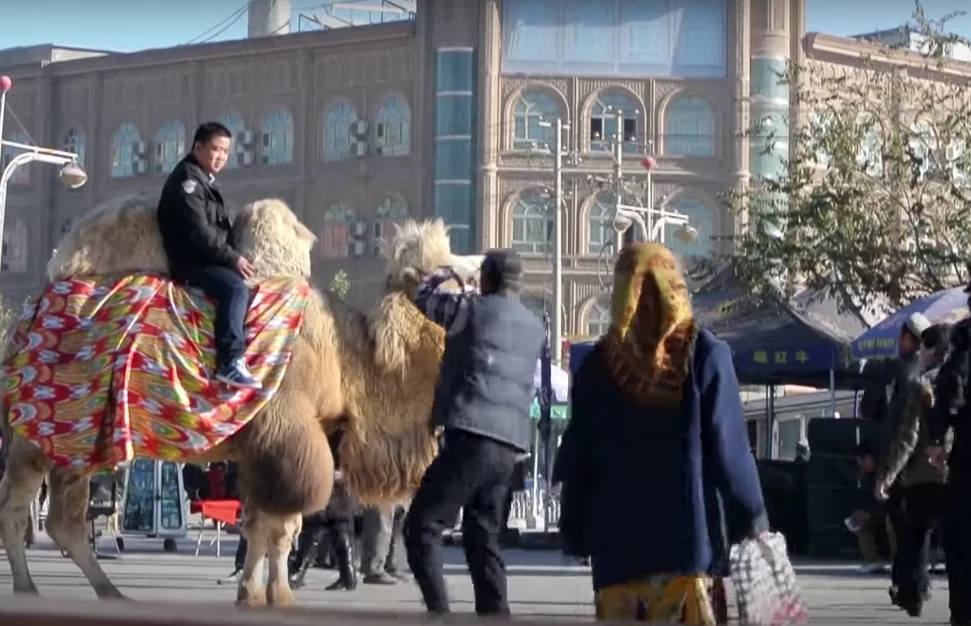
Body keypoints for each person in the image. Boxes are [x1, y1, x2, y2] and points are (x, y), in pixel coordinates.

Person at [553, 243, 768, 624]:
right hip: (687, 553)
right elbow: (730, 449)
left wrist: (572, 528)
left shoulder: (598, 366)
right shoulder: (704, 355)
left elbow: (578, 457)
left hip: (616, 557)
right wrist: (752, 516)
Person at [404, 248, 543, 617]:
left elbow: (421, 294)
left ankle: (440, 614)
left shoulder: (469, 310)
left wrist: (451, 269)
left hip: (471, 432)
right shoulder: (534, 326)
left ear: (488, 278)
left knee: (422, 526)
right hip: (511, 446)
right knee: (483, 536)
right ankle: (496, 615)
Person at [156, 121, 260, 389]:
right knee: (235, 288)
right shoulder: (188, 182)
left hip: (206, 258)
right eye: (215, 149)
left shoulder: (203, 180)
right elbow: (199, 231)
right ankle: (230, 361)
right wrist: (232, 258)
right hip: (191, 263)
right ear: (198, 148)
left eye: (225, 151)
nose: (221, 157)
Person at [874, 313, 937, 615]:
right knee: (917, 531)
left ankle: (913, 590)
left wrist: (888, 473)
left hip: (909, 469)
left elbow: (905, 432)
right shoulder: (923, 374)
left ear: (910, 338)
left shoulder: (909, 376)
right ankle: (914, 588)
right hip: (922, 466)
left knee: (910, 531)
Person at [928, 311, 971, 625]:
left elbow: (949, 387)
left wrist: (937, 439)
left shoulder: (963, 341)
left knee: (959, 546)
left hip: (966, 464)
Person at [848, 443, 897, 575]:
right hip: (879, 513)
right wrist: (864, 514)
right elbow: (869, 502)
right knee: (857, 521)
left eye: (862, 460)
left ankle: (897, 560)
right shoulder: (867, 478)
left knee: (891, 522)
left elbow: (893, 502)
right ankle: (872, 560)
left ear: (870, 458)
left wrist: (871, 515)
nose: (861, 464)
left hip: (893, 512)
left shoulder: (886, 473)